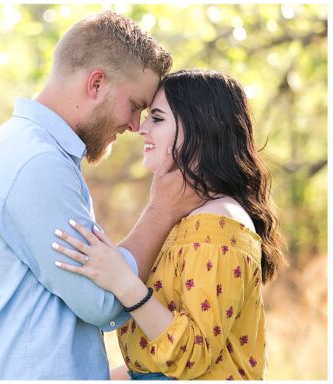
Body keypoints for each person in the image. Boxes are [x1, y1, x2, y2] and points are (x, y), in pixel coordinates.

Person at [0, 11, 203, 380]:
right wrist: (162, 210)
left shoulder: (12, 148)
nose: (135, 125)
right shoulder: (35, 164)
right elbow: (102, 299)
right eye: (136, 106)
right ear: (96, 85)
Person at [53, 69, 288, 380]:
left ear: (199, 129)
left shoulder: (219, 222)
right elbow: (154, 363)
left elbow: (191, 355)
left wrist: (122, 280)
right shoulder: (190, 217)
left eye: (158, 119)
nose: (142, 128)